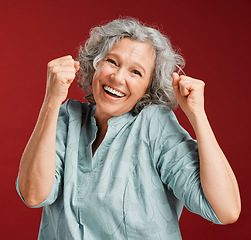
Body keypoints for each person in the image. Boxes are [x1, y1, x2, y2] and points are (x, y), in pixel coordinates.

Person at [16, 18, 241, 239]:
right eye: (112, 61)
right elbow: (34, 195)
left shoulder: (155, 125)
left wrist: (197, 115)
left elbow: (225, 211)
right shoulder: (67, 117)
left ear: (148, 88)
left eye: (136, 72)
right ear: (95, 64)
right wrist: (51, 101)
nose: (118, 77)